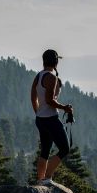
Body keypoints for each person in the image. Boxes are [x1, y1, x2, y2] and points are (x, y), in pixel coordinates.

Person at [30, 48, 73, 185]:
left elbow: (33, 96)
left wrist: (38, 111)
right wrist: (65, 108)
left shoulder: (39, 75)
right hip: (51, 119)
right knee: (65, 148)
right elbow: (50, 100)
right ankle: (47, 178)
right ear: (55, 62)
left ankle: (40, 180)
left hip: (41, 119)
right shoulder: (52, 77)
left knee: (45, 150)